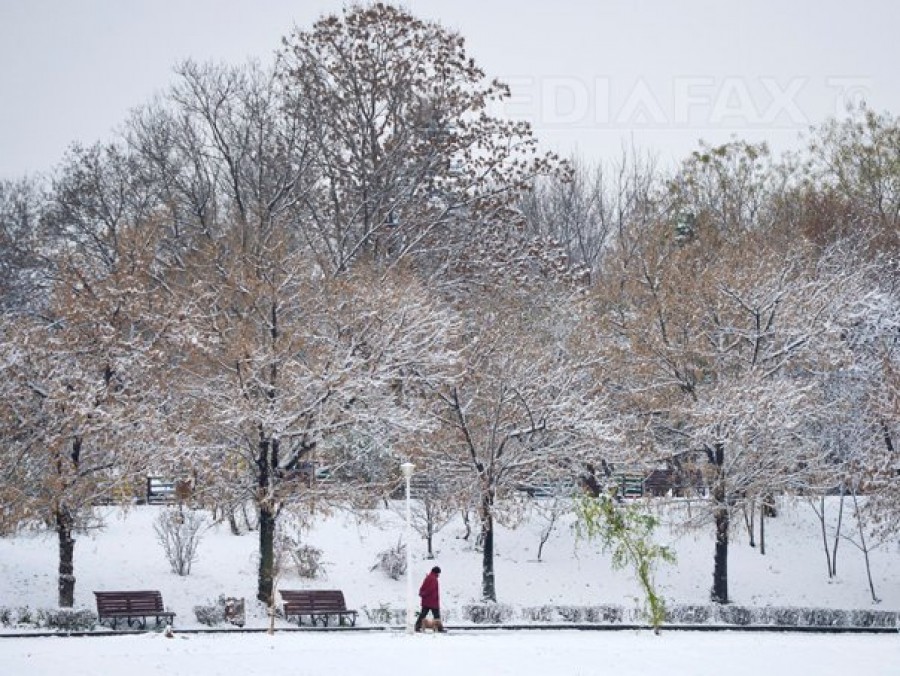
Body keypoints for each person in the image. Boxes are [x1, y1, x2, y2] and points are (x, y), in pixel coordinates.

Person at [414, 565, 445, 632]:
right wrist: (431, 597)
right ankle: (439, 628)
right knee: (436, 615)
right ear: (436, 572)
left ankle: (417, 626)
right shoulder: (433, 579)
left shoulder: (428, 577)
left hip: (427, 600)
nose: (439, 574)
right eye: (438, 573)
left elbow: (423, 588)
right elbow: (431, 589)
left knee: (423, 614)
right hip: (432, 600)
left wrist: (423, 595)